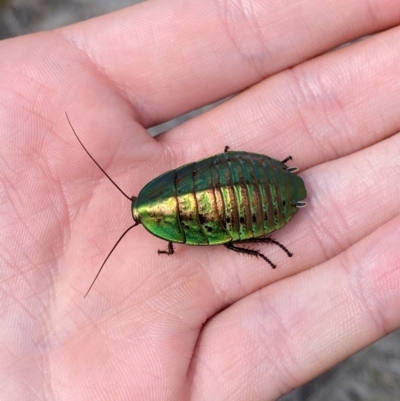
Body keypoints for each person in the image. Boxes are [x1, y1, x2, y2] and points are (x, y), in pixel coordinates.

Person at [1, 1, 400, 400]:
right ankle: (270, 218)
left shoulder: (174, 236)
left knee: (227, 234)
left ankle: (266, 232)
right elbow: (216, 166)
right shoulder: (168, 194)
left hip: (253, 192)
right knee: (224, 196)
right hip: (249, 175)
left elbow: (215, 216)